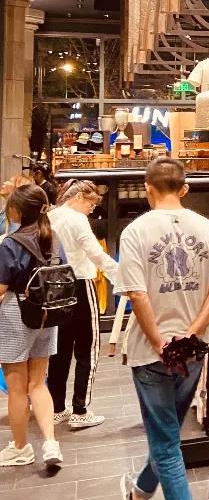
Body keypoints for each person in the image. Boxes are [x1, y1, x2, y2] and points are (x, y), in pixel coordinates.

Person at [117, 157, 209, 500]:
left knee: (165, 439)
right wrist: (192, 333)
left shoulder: (135, 231)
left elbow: (137, 294)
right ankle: (139, 494)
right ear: (184, 189)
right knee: (165, 432)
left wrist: (159, 342)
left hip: (151, 354)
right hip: (192, 351)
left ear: (148, 188)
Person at [0, 183, 64, 470]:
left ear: (17, 211)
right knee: (38, 383)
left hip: (17, 315)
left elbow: (1, 287)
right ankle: (50, 443)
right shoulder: (53, 238)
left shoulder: (11, 243)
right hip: (48, 314)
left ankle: (20, 448)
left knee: (17, 387)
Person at [47, 179, 119, 429]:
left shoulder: (51, 216)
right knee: (87, 349)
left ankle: (57, 408)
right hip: (80, 284)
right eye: (91, 203)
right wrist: (121, 276)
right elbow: (95, 254)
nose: (92, 208)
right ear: (78, 197)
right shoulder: (77, 219)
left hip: (56, 287)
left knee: (59, 350)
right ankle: (80, 410)